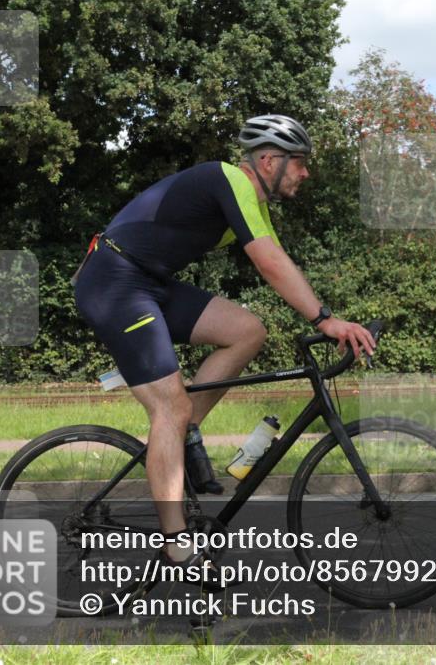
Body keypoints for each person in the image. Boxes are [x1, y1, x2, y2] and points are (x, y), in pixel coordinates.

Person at [73, 114, 376, 566]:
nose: (306, 172)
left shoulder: (250, 202)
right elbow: (268, 261)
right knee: (169, 406)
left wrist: (322, 314)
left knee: (246, 331)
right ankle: (177, 545)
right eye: (299, 162)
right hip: (116, 284)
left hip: (146, 283)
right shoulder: (228, 177)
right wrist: (326, 320)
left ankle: (182, 435)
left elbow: (281, 261)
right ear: (269, 160)